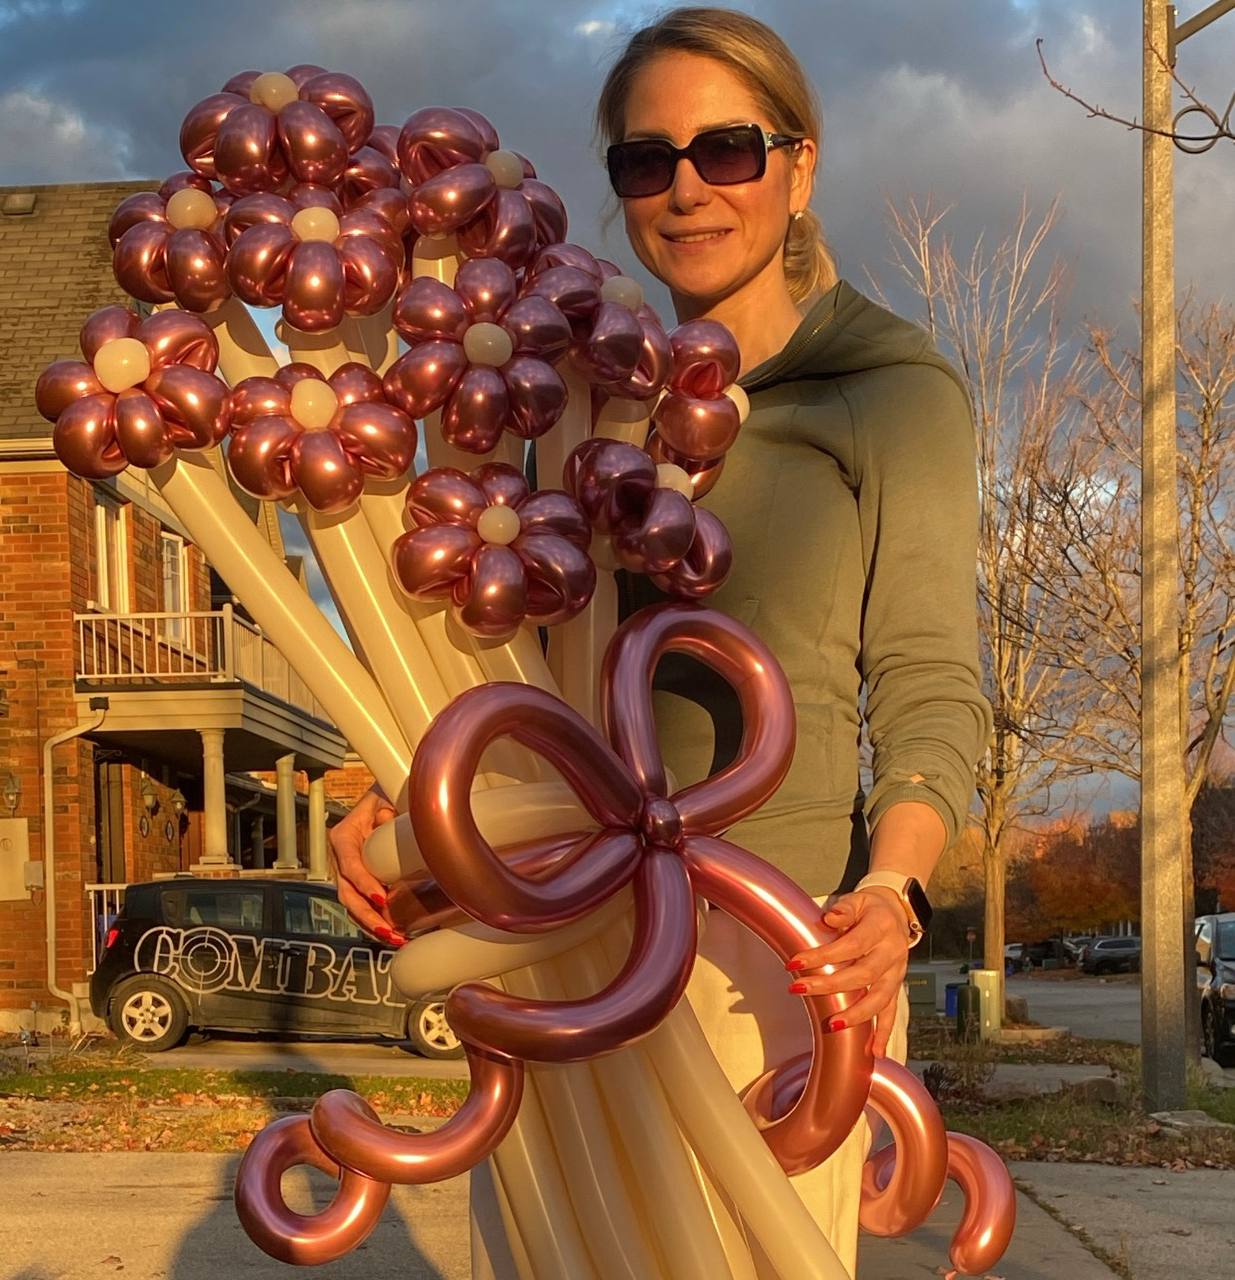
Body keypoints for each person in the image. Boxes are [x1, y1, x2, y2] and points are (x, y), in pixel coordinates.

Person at [330, 7, 991, 1274]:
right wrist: (392, 788)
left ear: (798, 167)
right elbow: (501, 651)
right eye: (647, 161)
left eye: (726, 151)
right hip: (560, 930)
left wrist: (890, 893)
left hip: (771, 946)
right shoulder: (576, 393)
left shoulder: (886, 388)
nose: (686, 190)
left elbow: (927, 675)